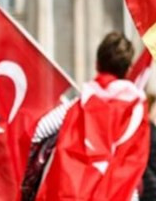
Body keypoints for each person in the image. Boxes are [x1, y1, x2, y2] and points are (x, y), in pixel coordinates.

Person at [21, 31, 149, 201]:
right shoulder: (136, 113)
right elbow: (131, 166)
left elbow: (38, 132)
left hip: (68, 194)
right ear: (128, 70)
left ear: (97, 64)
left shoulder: (79, 104)